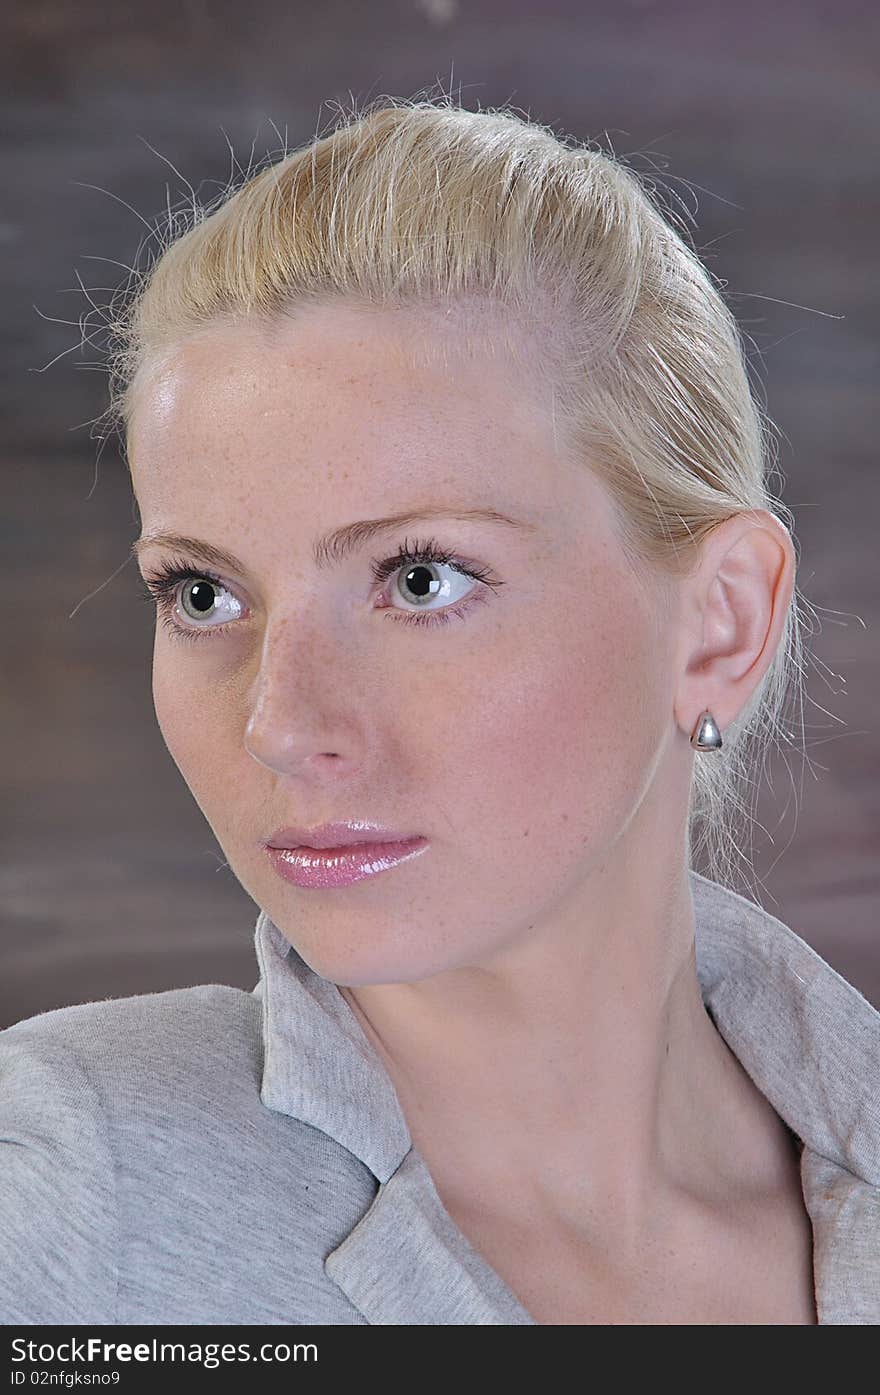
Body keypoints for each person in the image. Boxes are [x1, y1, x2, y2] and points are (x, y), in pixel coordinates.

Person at [3, 98, 878, 1326]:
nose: (278, 723)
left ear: (719, 622)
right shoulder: (64, 1195)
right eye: (202, 593)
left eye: (421, 579)